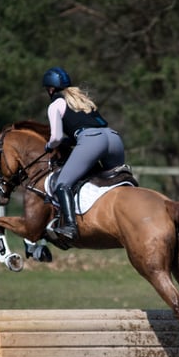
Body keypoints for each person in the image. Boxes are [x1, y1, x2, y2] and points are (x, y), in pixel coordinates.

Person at [42, 66, 125, 241]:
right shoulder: (83, 101)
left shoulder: (55, 103)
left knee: (62, 184)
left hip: (92, 141)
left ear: (50, 89)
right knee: (117, 180)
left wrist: (49, 146)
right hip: (113, 138)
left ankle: (70, 227)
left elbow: (56, 137)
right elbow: (88, 127)